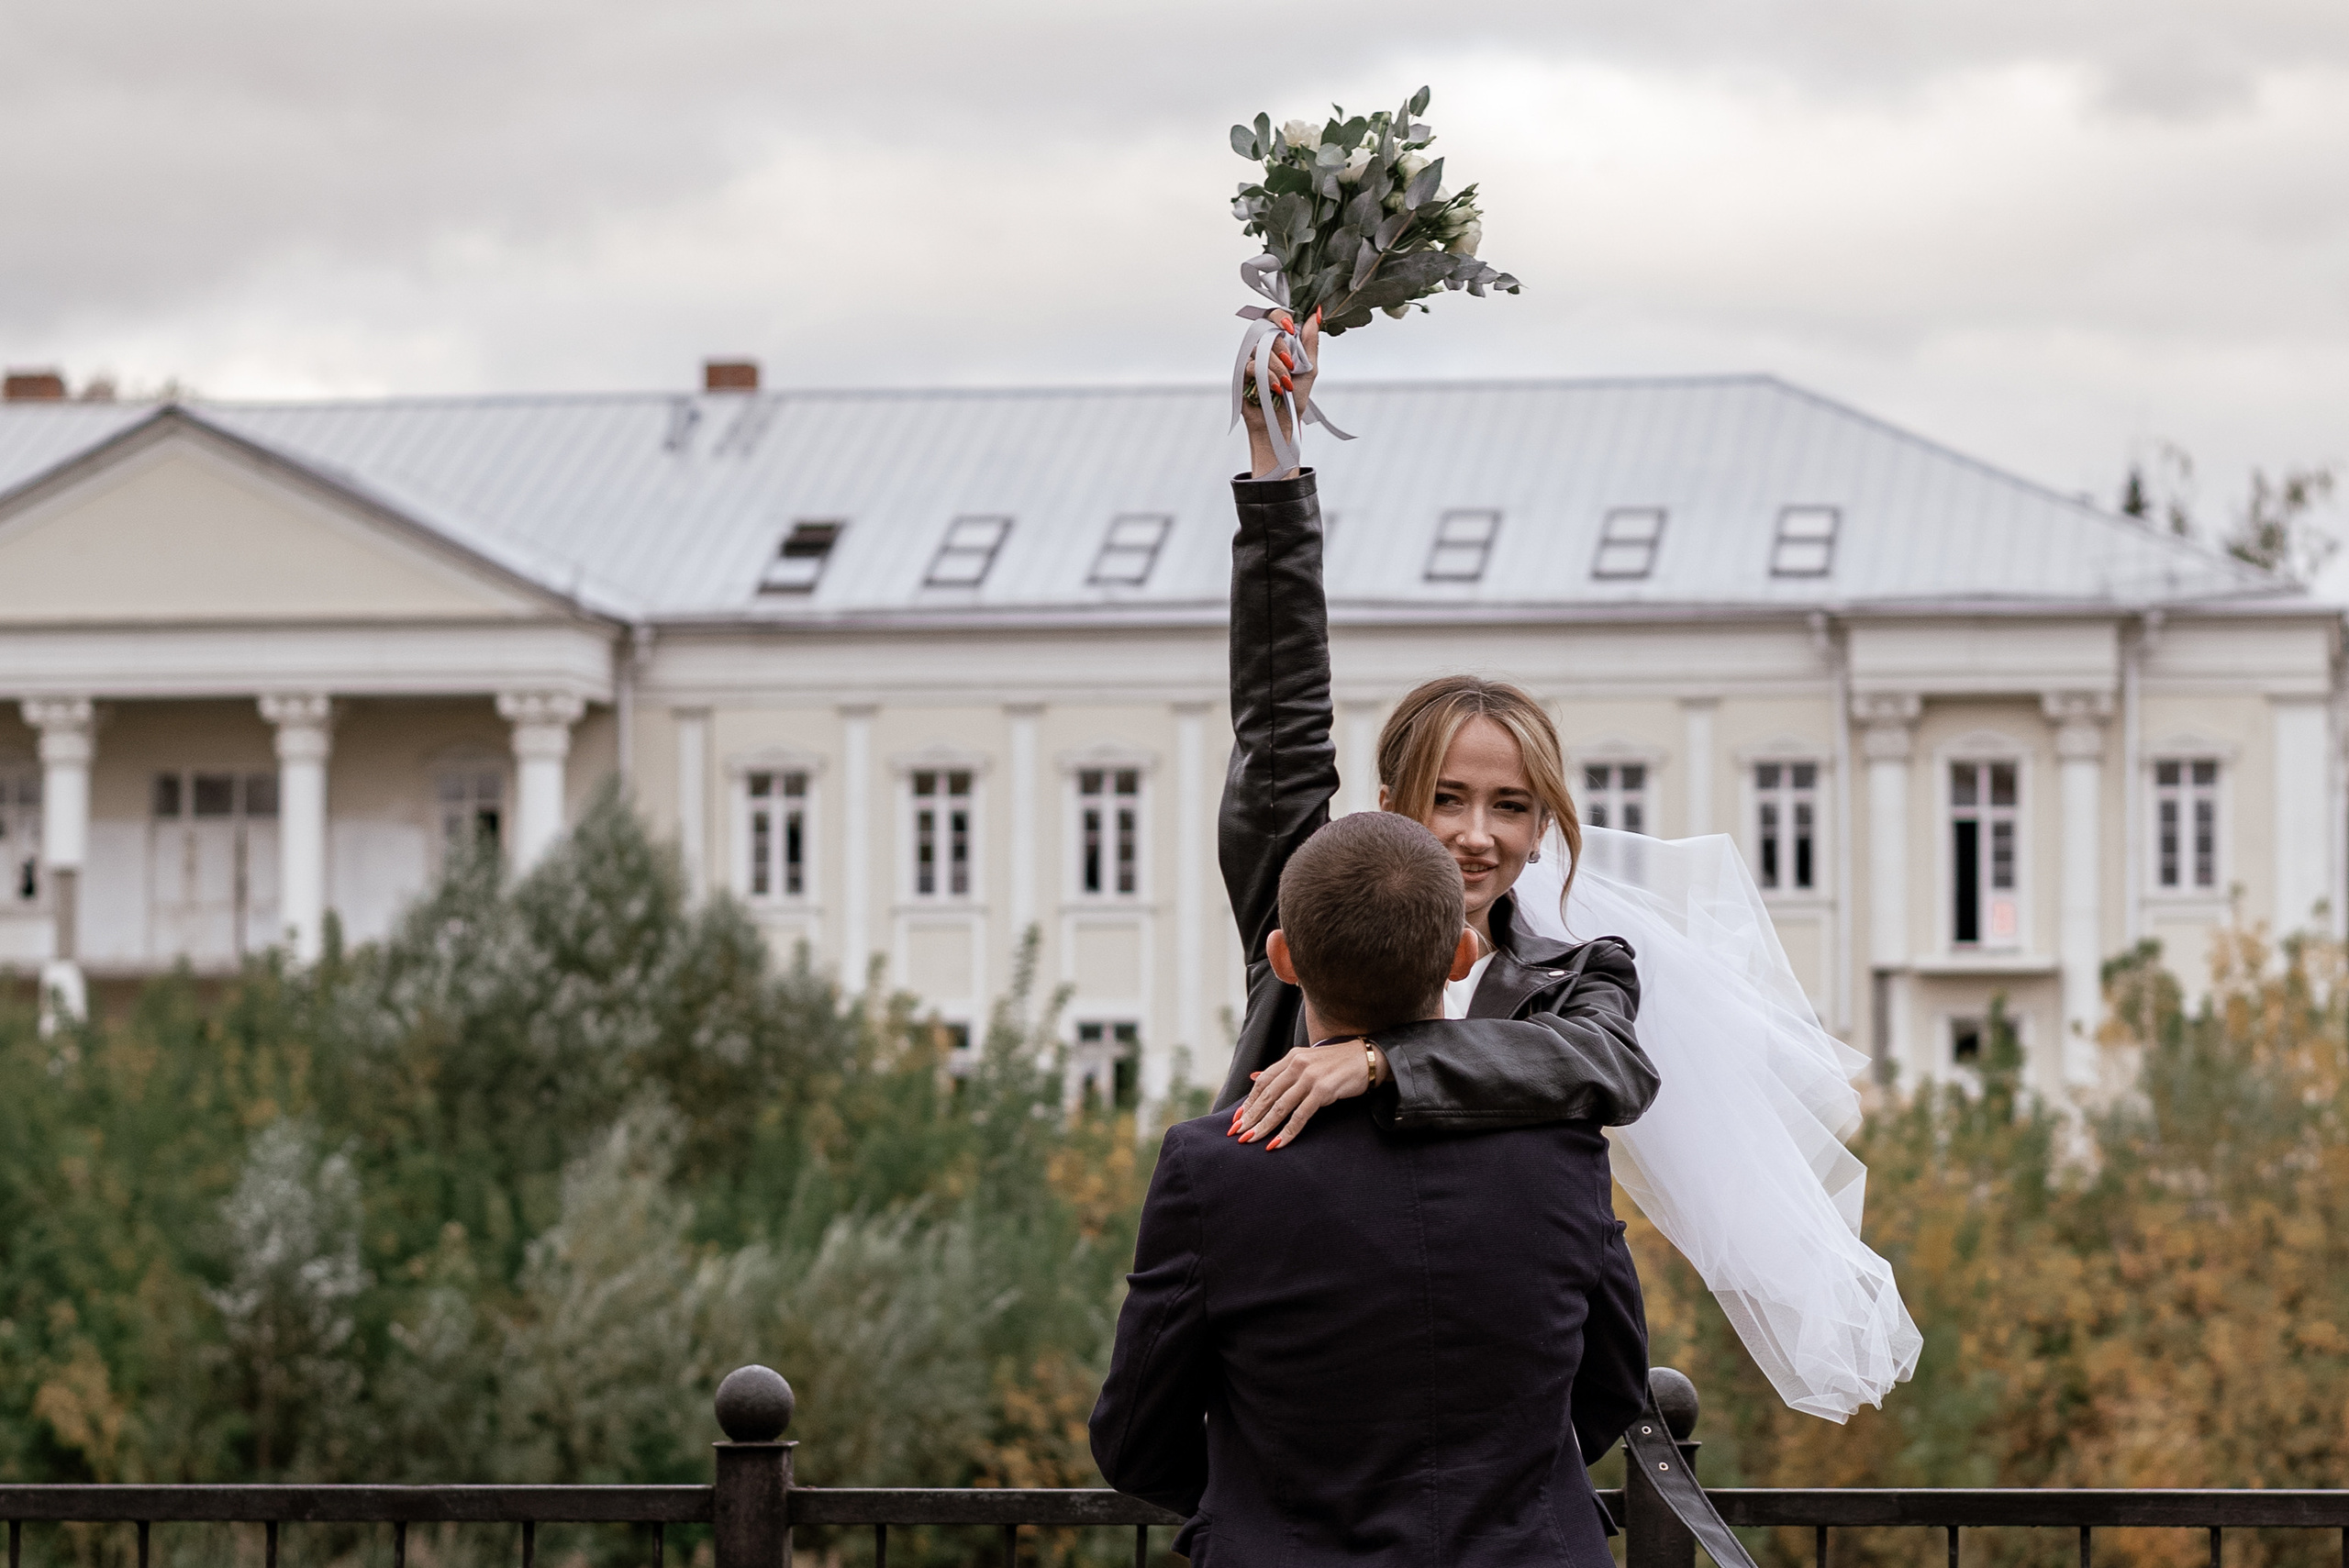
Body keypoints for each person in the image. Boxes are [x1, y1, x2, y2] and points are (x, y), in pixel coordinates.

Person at [1089, 810, 1650, 1566]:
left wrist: (1258, 1510)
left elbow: (1133, 1439)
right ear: (1462, 956)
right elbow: (1615, 1385)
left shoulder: (1212, 1166)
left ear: (1283, 958)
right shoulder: (1564, 1152)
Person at [1217, 309, 1658, 1149]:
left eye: (1511, 806)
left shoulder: (1578, 978)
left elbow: (1614, 1067)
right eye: (1447, 798)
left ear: (1542, 828)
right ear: (1389, 806)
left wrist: (1378, 1061)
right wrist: (1273, 451)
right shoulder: (1306, 913)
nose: (1476, 835)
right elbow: (1281, 727)